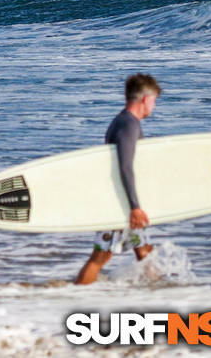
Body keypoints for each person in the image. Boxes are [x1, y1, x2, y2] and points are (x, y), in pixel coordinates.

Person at [74, 73, 161, 285]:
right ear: (145, 99)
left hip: (124, 201)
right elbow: (125, 166)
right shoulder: (128, 125)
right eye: (154, 101)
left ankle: (159, 291)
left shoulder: (123, 121)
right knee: (100, 257)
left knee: (144, 252)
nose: (154, 106)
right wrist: (134, 207)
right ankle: (75, 294)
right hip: (119, 204)